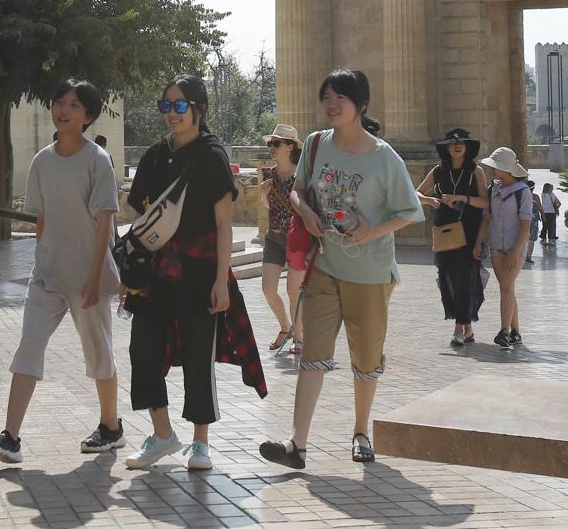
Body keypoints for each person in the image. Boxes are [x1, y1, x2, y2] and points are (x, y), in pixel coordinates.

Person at [259, 69, 423, 469]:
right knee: (313, 352)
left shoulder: (385, 157)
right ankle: (297, 444)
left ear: (361, 105)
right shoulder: (316, 144)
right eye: (327, 97)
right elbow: (297, 190)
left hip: (370, 274)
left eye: (341, 98)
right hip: (325, 266)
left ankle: (361, 431)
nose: (332, 105)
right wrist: (306, 212)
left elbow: (410, 211)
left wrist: (372, 232)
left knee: (366, 358)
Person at [0, 80, 125, 465]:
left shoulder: (97, 160)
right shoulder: (42, 160)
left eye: (74, 105)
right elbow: (42, 219)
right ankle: (10, 437)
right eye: (59, 102)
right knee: (29, 347)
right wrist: (41, 261)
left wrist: (94, 279)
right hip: (46, 277)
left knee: (98, 354)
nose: (63, 110)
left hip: (88, 277)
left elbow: (104, 224)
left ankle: (111, 426)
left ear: (88, 115)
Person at [123, 74, 265, 471]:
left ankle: (200, 442)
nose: (172, 113)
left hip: (201, 271)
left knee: (198, 356)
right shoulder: (153, 156)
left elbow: (224, 224)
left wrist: (222, 280)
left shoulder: (212, 156)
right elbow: (142, 218)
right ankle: (163, 434)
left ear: (199, 110)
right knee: (142, 351)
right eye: (166, 105)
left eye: (180, 105)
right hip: (155, 272)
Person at [415, 128, 487, 347]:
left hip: (469, 233)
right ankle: (468, 327)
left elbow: (485, 202)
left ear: (467, 147)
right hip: (445, 232)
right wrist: (430, 201)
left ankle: (458, 328)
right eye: (453, 143)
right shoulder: (438, 171)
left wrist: (462, 198)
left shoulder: (476, 171)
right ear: (447, 148)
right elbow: (415, 194)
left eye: (462, 143)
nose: (457, 146)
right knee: (449, 279)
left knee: (466, 278)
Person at [476, 148, 532, 349]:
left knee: (505, 287)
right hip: (496, 247)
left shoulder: (523, 192)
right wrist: (478, 243)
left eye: (496, 168)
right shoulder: (493, 189)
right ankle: (516, 332)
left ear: (508, 170)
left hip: (514, 248)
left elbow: (526, 225)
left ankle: (504, 331)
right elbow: (487, 218)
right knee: (507, 288)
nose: (492, 171)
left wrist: (515, 252)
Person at [258, 123, 306, 353]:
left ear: (289, 147)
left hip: (297, 239)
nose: (271, 148)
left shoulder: (302, 175)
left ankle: (299, 337)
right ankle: (285, 327)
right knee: (268, 289)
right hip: (274, 237)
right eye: (270, 143)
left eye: (276, 144)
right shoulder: (268, 174)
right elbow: (270, 207)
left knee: (293, 291)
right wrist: (265, 195)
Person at [525, 180, 539, 264]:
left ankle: (522, 256)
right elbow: (540, 208)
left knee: (523, 238)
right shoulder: (535, 197)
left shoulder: (521, 197)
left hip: (523, 220)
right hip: (533, 221)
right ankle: (529, 257)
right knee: (531, 240)